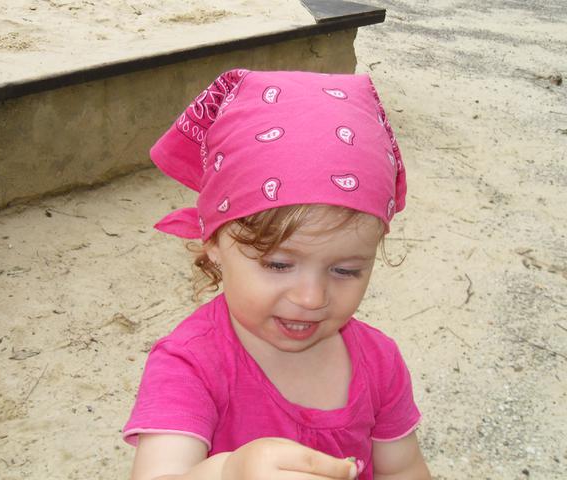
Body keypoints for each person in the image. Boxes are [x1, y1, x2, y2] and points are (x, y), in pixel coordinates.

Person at [122, 69, 431, 480]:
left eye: (346, 270)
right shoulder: (190, 365)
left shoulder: (380, 362)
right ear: (214, 243)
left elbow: (403, 468)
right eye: (278, 264)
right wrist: (229, 473)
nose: (311, 297)